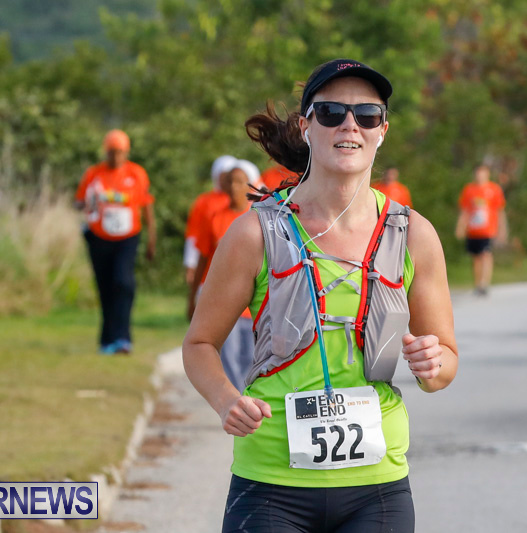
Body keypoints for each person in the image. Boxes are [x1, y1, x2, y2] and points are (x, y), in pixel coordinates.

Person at [182, 59, 458, 533]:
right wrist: (226, 400)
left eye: (367, 115)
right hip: (271, 485)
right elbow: (199, 344)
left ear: (382, 131)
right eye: (331, 112)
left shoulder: (414, 235)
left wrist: (434, 365)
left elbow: (446, 362)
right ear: (306, 126)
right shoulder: (254, 234)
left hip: (377, 488)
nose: (350, 125)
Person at [75, 129, 156, 354]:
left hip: (127, 238)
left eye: (120, 152)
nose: (116, 156)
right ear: (106, 152)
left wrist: (152, 239)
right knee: (105, 287)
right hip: (99, 238)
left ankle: (123, 338)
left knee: (123, 282)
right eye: (111, 152)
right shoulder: (94, 174)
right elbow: (79, 202)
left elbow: (147, 206)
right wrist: (88, 201)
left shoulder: (136, 173)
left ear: (126, 152)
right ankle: (107, 340)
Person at [190, 162, 257, 389]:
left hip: (254, 303)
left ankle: (249, 399)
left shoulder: (258, 218)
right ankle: (238, 401)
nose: (234, 186)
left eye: (239, 181)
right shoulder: (215, 218)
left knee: (251, 358)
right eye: (229, 181)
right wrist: (192, 297)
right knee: (229, 358)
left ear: (249, 185)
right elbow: (202, 258)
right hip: (224, 303)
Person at [183, 155, 236, 318]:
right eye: (223, 176)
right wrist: (190, 264)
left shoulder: (243, 202)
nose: (226, 181)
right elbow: (194, 235)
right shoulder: (204, 201)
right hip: (209, 272)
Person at [454, 163, 508, 296]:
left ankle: (485, 283)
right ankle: (478, 283)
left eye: (483, 172)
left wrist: (502, 229)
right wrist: (460, 226)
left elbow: (500, 211)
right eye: (478, 173)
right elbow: (465, 210)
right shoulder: (469, 190)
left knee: (486, 254)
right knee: (476, 257)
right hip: (473, 230)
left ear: (487, 174)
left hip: (488, 229)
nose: (480, 175)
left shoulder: (494, 189)